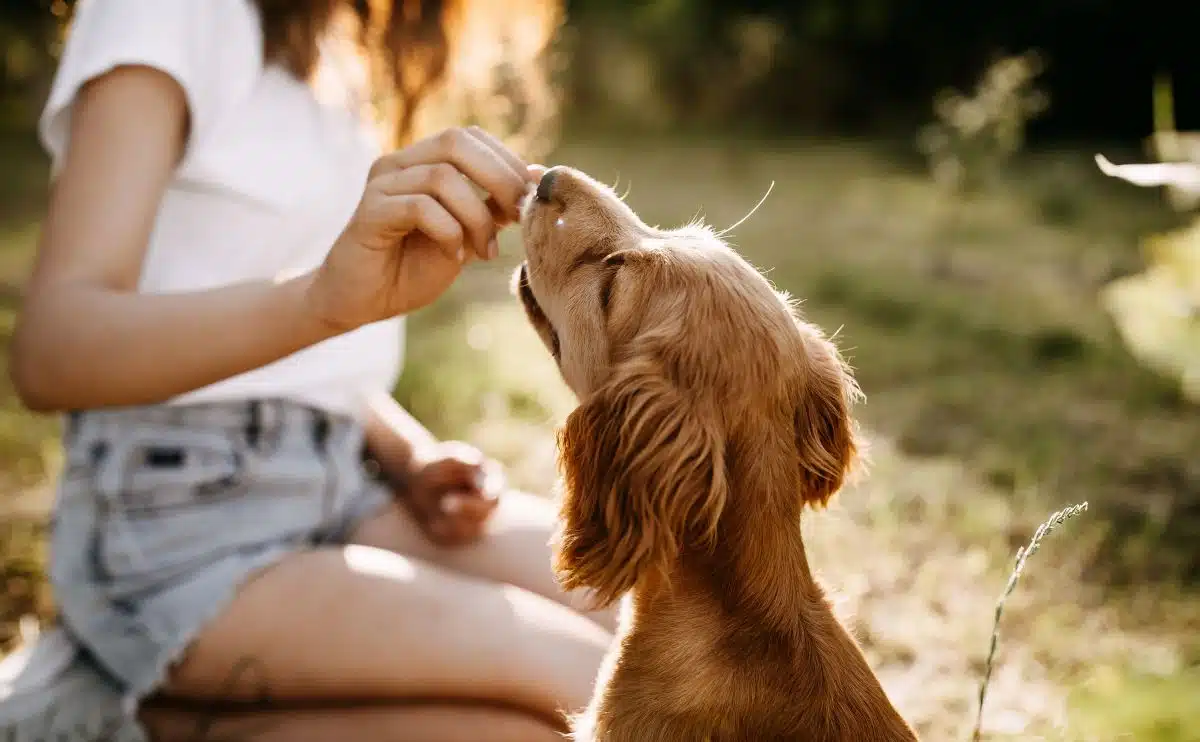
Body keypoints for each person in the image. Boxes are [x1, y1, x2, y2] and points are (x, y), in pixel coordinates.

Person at [0, 1, 614, 740]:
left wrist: (406, 454)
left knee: (662, 619)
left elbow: (284, 351)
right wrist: (324, 299)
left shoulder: (337, 35)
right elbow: (52, 352)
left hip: (344, 483)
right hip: (177, 524)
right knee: (594, 693)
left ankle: (169, 714)